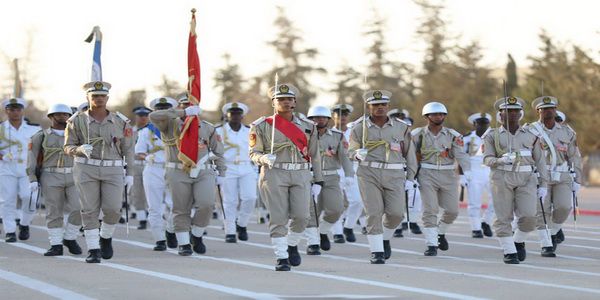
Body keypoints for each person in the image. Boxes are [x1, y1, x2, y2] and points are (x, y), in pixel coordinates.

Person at [249, 83, 323, 271]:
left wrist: (319, 179)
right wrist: (263, 158)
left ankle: (291, 244)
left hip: (300, 173)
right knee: (279, 217)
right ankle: (281, 257)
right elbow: (253, 153)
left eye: (289, 99)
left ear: (295, 102)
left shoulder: (308, 126)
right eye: (280, 99)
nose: (285, 102)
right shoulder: (261, 126)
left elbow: (315, 155)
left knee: (302, 216)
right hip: (274, 173)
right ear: (273, 103)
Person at [64, 81, 135, 263]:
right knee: (89, 210)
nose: (99, 99)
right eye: (94, 96)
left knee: (112, 209)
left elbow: (128, 149)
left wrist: (131, 173)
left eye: (102, 96)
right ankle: (93, 249)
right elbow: (67, 146)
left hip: (113, 168)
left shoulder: (120, 121)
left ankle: (105, 237)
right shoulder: (76, 120)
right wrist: (78, 149)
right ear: (88, 98)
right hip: (86, 167)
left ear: (108, 98)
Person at [149, 97, 226, 256]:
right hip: (178, 170)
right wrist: (182, 112)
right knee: (181, 207)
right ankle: (184, 243)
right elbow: (153, 116)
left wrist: (222, 172)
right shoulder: (169, 124)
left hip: (203, 170)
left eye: (192, 106)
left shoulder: (207, 128)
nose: (189, 108)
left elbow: (218, 151)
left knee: (206, 204)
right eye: (185, 105)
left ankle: (197, 235)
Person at [348, 90, 417, 264]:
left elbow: (410, 153)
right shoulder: (359, 127)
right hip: (368, 173)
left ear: (388, 106)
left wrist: (410, 177)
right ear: (369, 107)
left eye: (383, 105)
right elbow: (350, 150)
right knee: (373, 212)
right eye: (375, 105)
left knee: (396, 214)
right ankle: (376, 250)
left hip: (394, 173)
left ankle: (384, 238)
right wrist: (357, 154)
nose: (380, 108)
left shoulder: (401, 127)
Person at [483, 96, 548, 264]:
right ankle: (509, 251)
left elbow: (540, 160)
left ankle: (518, 240)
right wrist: (500, 160)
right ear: (500, 114)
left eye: (515, 111)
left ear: (521, 114)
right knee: (503, 216)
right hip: (502, 177)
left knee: (529, 217)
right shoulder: (492, 135)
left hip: (526, 178)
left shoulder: (532, 135)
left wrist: (544, 184)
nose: (512, 114)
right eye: (508, 111)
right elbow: (487, 159)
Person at [412, 102, 470, 256]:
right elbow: (410, 156)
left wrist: (467, 172)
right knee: (430, 209)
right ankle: (431, 244)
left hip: (448, 174)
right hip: (426, 173)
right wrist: (409, 175)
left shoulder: (453, 135)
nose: (439, 117)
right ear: (427, 116)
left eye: (442, 114)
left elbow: (461, 155)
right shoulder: (417, 134)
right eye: (435, 114)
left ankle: (440, 232)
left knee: (452, 211)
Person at [530, 96, 582, 257]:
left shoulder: (567, 131)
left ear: (556, 110)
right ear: (538, 111)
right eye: (544, 109)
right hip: (541, 175)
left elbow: (575, 156)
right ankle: (546, 244)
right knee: (542, 211)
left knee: (564, 207)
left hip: (562, 174)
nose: (548, 111)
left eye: (551, 108)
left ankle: (553, 231)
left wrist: (578, 179)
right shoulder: (530, 130)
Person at [28, 104, 82, 256]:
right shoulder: (41, 136)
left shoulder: (77, 135)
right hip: (50, 175)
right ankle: (56, 244)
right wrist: (32, 178)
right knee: (54, 211)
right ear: (51, 117)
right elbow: (32, 158)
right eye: (58, 114)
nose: (63, 117)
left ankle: (70, 237)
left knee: (80, 207)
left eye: (66, 114)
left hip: (74, 174)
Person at [304, 105, 353, 255]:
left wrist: (349, 174)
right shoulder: (303, 135)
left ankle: (323, 231)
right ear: (310, 120)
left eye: (323, 117)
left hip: (330, 176)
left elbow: (345, 157)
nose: (319, 120)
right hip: (309, 176)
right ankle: (312, 243)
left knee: (336, 209)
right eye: (316, 118)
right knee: (311, 211)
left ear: (328, 119)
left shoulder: (337, 136)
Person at [135, 97, 179, 251]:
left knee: (175, 204)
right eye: (160, 109)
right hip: (153, 168)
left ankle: (171, 230)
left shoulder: (179, 128)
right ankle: (159, 239)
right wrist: (146, 157)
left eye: (166, 108)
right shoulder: (146, 130)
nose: (163, 111)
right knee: (154, 206)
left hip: (174, 168)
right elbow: (139, 152)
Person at [0, 97, 42, 242]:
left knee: (29, 198)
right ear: (6, 111)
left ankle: (24, 224)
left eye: (18, 109)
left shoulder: (34, 129)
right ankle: (10, 231)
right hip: (6, 169)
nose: (15, 112)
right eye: (12, 109)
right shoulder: (0, 128)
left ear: (22, 110)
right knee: (7, 201)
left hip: (27, 170)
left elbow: (42, 148)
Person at [215, 102, 257, 243]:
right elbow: (213, 150)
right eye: (232, 113)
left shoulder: (250, 130)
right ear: (227, 115)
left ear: (242, 115)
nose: (235, 116)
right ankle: (230, 231)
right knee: (229, 201)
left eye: (238, 114)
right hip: (228, 167)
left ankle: (242, 223)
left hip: (246, 166)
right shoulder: (219, 131)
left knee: (250, 198)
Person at [330, 104, 365, 243]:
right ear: (333, 116)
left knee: (357, 201)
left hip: (354, 169)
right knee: (336, 203)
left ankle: (349, 226)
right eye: (338, 114)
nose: (342, 117)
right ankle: (337, 232)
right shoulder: (328, 133)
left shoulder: (354, 132)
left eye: (344, 114)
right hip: (335, 169)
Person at [463, 113, 495, 238]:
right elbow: (462, 157)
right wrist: (462, 175)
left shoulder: (492, 136)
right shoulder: (466, 138)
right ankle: (476, 228)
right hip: (474, 172)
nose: (483, 126)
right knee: (475, 202)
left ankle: (486, 221)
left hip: (490, 170)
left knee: (497, 200)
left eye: (485, 124)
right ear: (475, 124)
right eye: (480, 124)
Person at [131, 106, 151, 230]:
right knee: (137, 194)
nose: (143, 118)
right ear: (136, 117)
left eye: (145, 116)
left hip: (151, 164)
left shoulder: (153, 131)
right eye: (140, 116)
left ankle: (154, 215)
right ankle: (142, 218)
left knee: (154, 191)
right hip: (136, 165)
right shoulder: (130, 131)